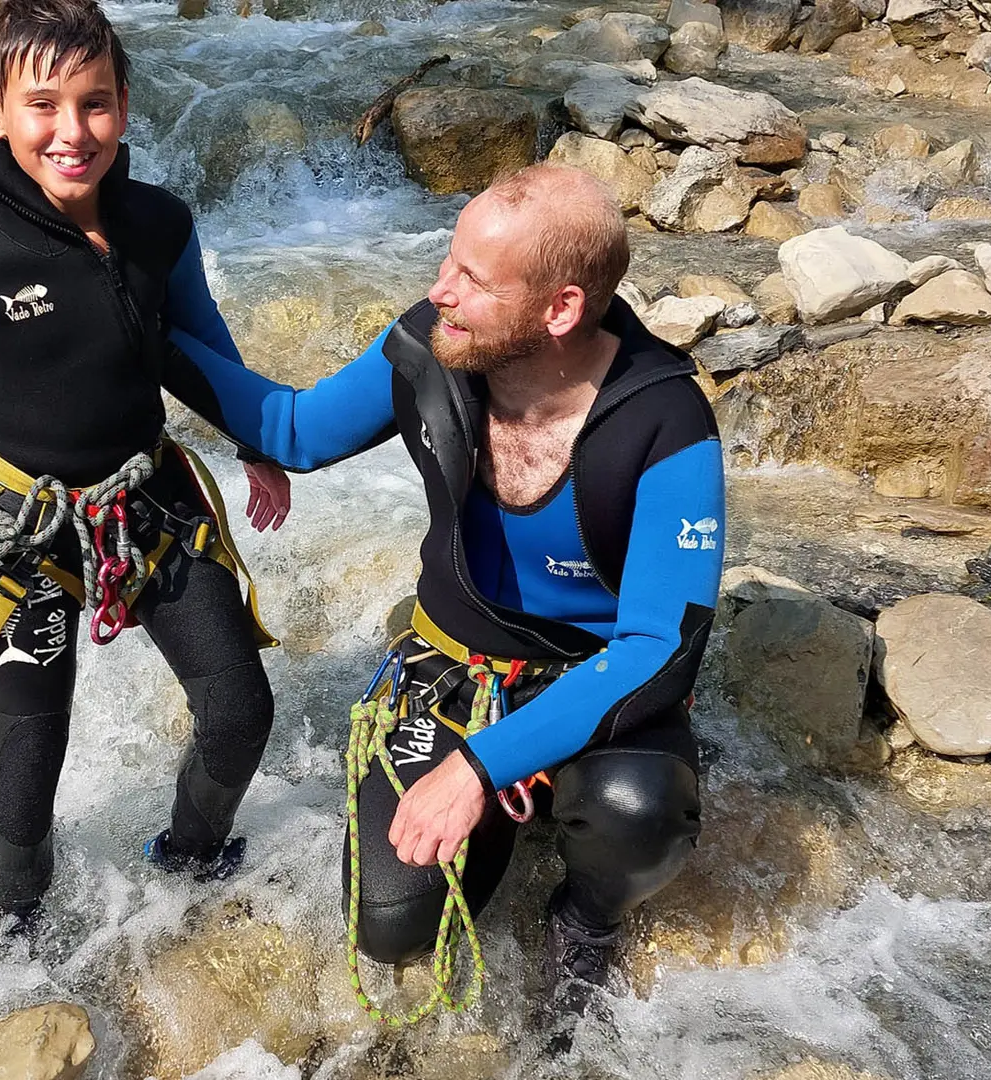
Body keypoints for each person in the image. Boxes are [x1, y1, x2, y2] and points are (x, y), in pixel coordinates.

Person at [162, 164, 723, 1015]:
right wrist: (142, 339)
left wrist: (478, 767)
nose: (439, 292)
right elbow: (292, 429)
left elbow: (659, 648)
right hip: (452, 667)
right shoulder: (433, 347)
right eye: (446, 261)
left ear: (560, 309)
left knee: (633, 811)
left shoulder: (666, 421)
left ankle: (588, 913)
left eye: (472, 278)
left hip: (591, 678)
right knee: (390, 925)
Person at [0, 0, 291, 927]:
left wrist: (258, 442)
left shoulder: (158, 224)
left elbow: (200, 342)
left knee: (240, 707)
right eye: (43, 105)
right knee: (28, 754)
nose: (71, 131)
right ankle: (23, 932)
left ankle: (192, 857)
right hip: (22, 528)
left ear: (125, 108)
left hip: (150, 502)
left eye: (94, 104)